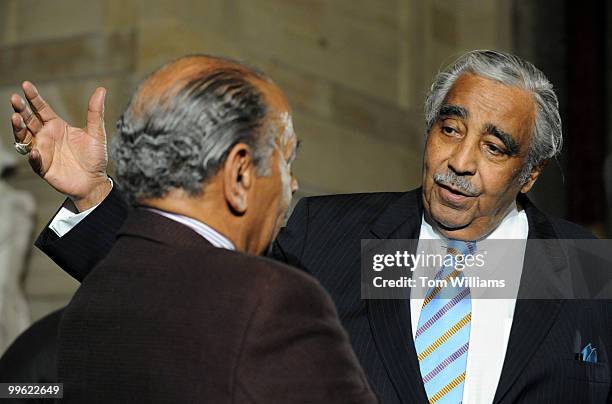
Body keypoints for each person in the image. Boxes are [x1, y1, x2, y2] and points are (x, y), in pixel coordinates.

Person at [9, 50, 612, 403]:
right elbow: (183, 286)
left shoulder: (584, 270)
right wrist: (93, 193)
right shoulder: (332, 234)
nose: (460, 161)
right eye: (449, 130)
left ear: (529, 175)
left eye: (496, 147)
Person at [4, 55, 377, 403]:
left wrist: (95, 193)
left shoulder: (88, 305)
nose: (292, 184)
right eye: (287, 159)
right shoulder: (273, 300)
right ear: (240, 173)